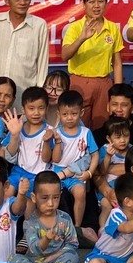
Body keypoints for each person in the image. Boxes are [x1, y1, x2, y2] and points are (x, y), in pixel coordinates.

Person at [10, 170, 79, 263]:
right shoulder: (30, 222)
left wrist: (57, 255)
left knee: (73, 256)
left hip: (58, 260)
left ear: (60, 195)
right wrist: (46, 239)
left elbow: (73, 244)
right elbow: (34, 248)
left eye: (55, 197)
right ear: (34, 198)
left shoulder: (65, 218)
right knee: (13, 260)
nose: (51, 203)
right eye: (45, 198)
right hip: (35, 262)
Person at [61, 0, 122, 128]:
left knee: (103, 125)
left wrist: (118, 91)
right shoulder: (75, 27)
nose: (96, 6)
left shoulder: (112, 28)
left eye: (100, 1)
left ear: (106, 3)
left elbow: (117, 63)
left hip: (104, 83)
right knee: (78, 125)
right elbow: (65, 55)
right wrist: (81, 38)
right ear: (84, 5)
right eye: (91, 2)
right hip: (80, 83)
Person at [52, 89, 99, 242]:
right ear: (59, 114)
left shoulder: (86, 132)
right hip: (57, 171)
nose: (69, 118)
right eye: (65, 114)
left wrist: (90, 173)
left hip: (77, 174)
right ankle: (56, 228)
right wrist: (57, 142)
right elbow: (55, 158)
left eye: (74, 114)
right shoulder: (56, 132)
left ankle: (77, 227)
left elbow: (95, 155)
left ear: (81, 113)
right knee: (54, 194)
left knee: (80, 193)